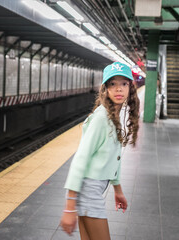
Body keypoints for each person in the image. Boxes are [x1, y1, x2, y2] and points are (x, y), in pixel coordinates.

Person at [60, 62, 140, 239]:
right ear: (105, 89)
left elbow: (114, 158)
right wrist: (69, 206)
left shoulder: (114, 116)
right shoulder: (101, 118)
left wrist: (117, 190)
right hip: (88, 190)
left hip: (92, 189)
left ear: (130, 89)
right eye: (113, 84)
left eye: (124, 84)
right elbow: (81, 159)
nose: (118, 89)